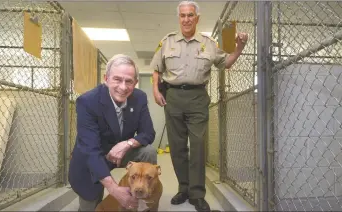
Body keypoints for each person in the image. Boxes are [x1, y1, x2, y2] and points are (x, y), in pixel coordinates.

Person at [150, 1, 248, 211]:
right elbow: (157, 69)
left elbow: (226, 63)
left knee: (197, 147)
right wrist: (156, 90)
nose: (186, 19)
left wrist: (239, 48)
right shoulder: (166, 41)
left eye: (190, 15)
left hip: (197, 98)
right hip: (173, 97)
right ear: (179, 18)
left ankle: (197, 194)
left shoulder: (209, 43)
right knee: (177, 147)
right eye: (183, 15)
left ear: (197, 18)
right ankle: (183, 188)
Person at [68, 54, 157, 211]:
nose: (123, 87)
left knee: (147, 152)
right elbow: (90, 151)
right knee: (91, 205)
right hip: (92, 157)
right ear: (106, 78)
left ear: (135, 82)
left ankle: (143, 196)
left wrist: (127, 144)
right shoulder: (88, 102)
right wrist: (115, 190)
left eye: (129, 81)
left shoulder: (139, 98)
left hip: (120, 153)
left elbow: (148, 133)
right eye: (117, 79)